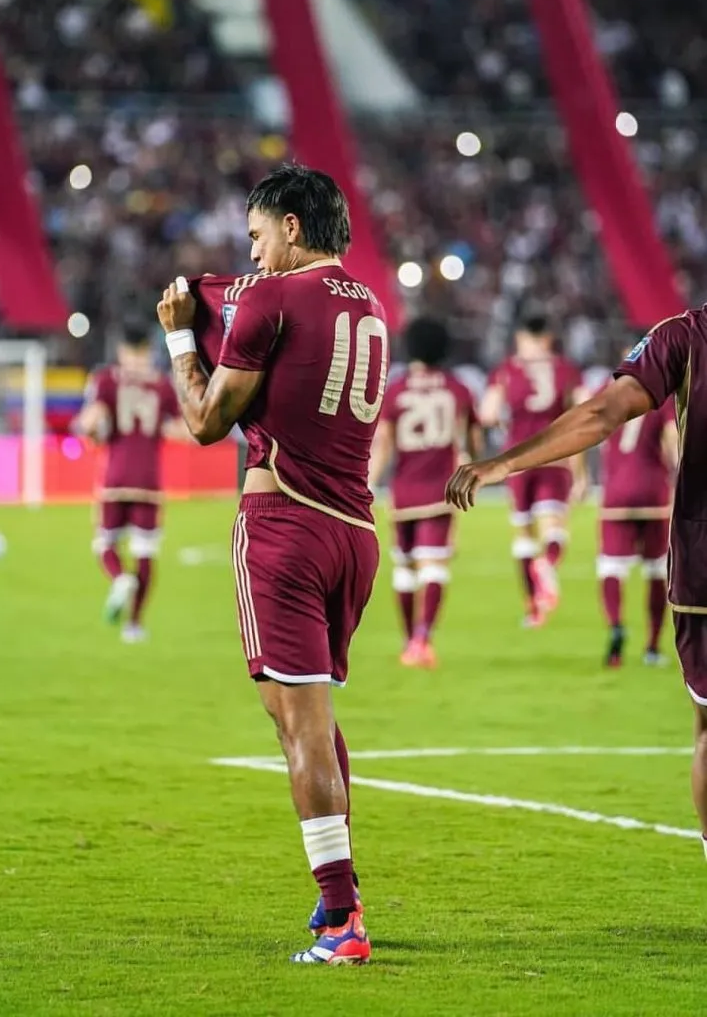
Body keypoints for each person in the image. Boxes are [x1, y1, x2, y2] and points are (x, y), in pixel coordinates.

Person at [156, 163, 388, 965]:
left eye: (257, 236)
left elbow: (204, 422)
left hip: (284, 522)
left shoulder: (270, 298)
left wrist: (181, 337)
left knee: (300, 728)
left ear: (292, 226)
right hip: (354, 533)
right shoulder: (369, 305)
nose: (250, 255)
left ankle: (342, 916)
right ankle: (338, 905)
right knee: (309, 719)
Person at [444, 309, 707, 856]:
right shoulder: (581, 364)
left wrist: (502, 463)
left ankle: (553, 581)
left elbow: (604, 413)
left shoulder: (684, 335)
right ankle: (559, 572)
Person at [369, 317, 482, 668]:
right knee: (434, 566)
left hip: (403, 491)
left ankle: (409, 642)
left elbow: (384, 442)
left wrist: (368, 483)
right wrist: (475, 466)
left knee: (404, 568)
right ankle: (422, 639)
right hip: (441, 490)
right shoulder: (458, 388)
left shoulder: (398, 390)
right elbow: (471, 441)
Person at [74, 325, 184, 643]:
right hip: (149, 481)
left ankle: (120, 579)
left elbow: (91, 421)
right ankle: (134, 625)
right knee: (145, 553)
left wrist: (90, 431)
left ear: (122, 350)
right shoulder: (162, 385)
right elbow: (179, 428)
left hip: (115, 479)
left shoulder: (106, 379)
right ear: (149, 350)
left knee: (105, 543)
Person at [480, 312, 587, 626]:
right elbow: (585, 406)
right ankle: (548, 564)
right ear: (549, 338)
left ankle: (533, 608)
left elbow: (487, 413)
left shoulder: (507, 369)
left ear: (522, 338)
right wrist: (581, 472)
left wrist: (507, 424)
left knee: (523, 535)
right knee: (554, 526)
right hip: (554, 457)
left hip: (516, 460)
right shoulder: (565, 369)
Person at [592, 349, 678, 667]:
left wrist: (581, 477)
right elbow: (673, 443)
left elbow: (589, 433)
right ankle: (653, 647)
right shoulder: (663, 396)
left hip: (616, 493)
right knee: (657, 569)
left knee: (611, 567)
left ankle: (615, 627)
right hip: (654, 494)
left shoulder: (606, 389)